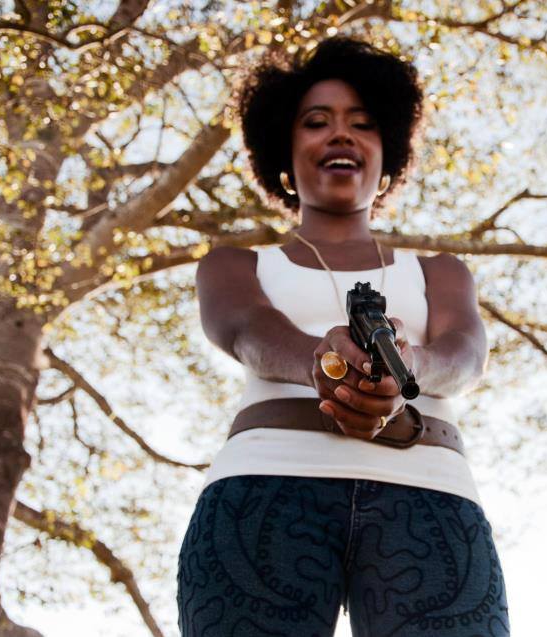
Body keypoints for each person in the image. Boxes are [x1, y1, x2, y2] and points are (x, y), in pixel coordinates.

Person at [176, 36, 511, 637]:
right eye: (316, 122)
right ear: (283, 156)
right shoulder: (234, 264)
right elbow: (246, 330)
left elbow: (465, 356)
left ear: (388, 158)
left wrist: (409, 366)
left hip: (430, 493)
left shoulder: (439, 270)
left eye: (362, 123)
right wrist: (322, 361)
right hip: (264, 490)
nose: (340, 135)